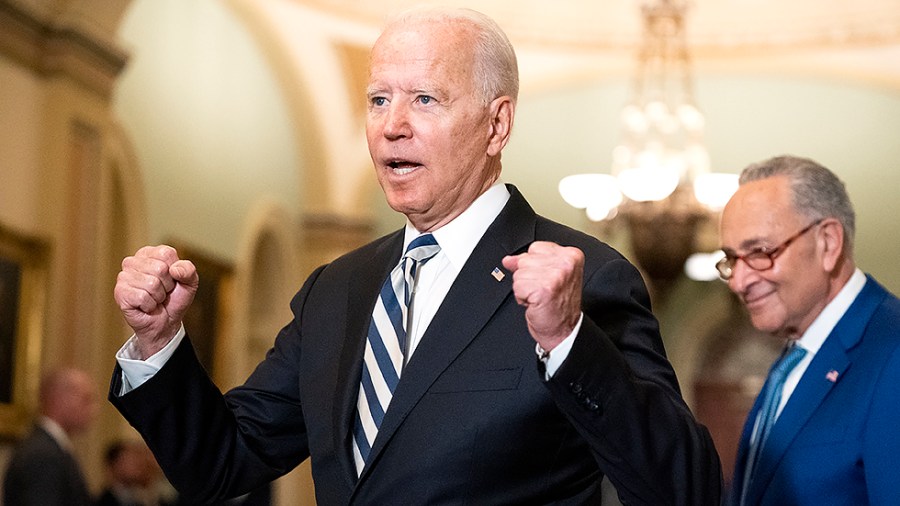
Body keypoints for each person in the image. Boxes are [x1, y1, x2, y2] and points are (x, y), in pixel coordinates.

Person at [109, 7, 721, 505]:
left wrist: (568, 341)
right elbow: (221, 463)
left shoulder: (587, 278)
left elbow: (682, 487)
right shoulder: (336, 288)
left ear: (496, 124)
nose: (392, 125)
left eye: (425, 99)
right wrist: (157, 344)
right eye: (378, 100)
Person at [718, 155, 900, 505]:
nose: (739, 281)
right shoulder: (795, 356)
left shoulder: (892, 353)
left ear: (828, 243)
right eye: (731, 259)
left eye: (760, 252)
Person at [3, 367, 97, 506]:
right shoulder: (42, 454)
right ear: (60, 399)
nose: (94, 409)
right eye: (86, 399)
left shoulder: (49, 447)